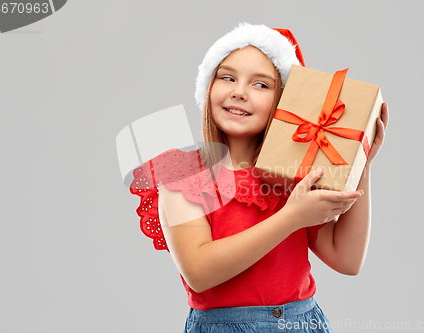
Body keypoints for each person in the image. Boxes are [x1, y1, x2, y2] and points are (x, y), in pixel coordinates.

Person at [130, 23, 389, 332]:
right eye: (227, 77)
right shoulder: (183, 173)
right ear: (208, 88)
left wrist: (361, 164)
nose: (239, 92)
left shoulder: (292, 175)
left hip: (302, 323)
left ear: (283, 103)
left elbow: (347, 260)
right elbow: (199, 272)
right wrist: (291, 218)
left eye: (261, 85)